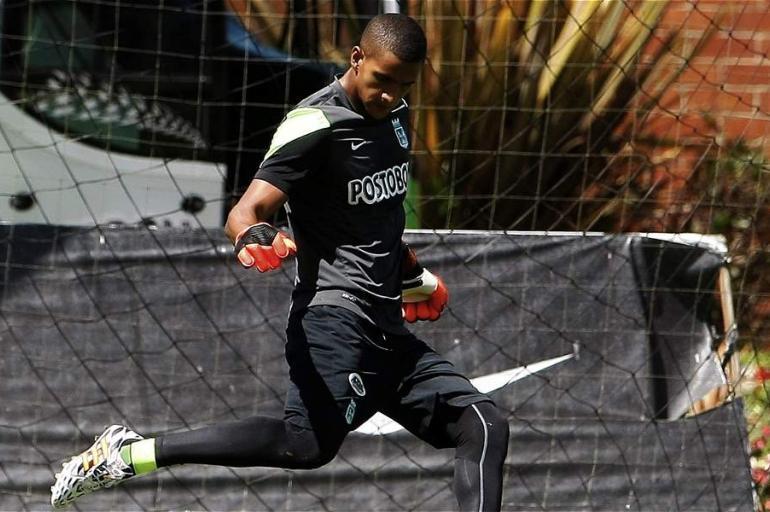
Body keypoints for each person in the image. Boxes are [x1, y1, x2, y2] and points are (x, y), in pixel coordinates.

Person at [50, 13, 509, 511]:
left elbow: (374, 219)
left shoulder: (395, 117)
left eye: (404, 85)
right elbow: (246, 212)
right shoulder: (315, 123)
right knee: (306, 445)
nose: (390, 95)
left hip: (387, 328)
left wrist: (412, 274)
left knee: (483, 425)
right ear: (357, 59)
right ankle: (134, 453)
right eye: (381, 81)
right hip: (333, 320)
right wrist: (257, 234)